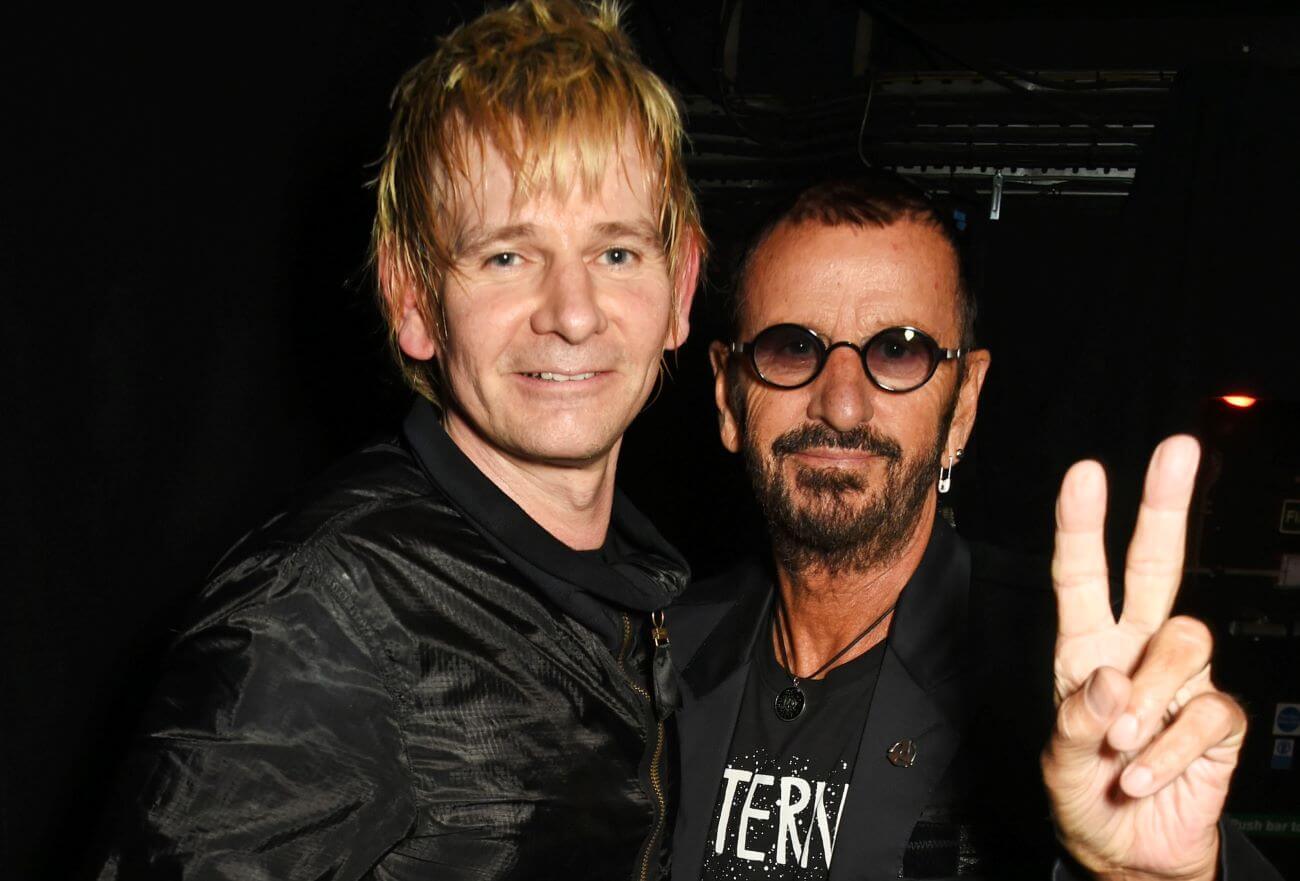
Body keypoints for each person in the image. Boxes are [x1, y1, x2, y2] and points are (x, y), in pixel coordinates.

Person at [90, 2, 701, 879]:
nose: (572, 313)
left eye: (616, 254)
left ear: (678, 293)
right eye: (506, 256)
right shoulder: (325, 610)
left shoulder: (637, 590)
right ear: (414, 302)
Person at [668, 175, 1282, 881]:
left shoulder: (1063, 676)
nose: (840, 404)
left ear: (963, 405)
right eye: (791, 347)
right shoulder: (647, 651)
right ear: (726, 395)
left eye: (898, 350)